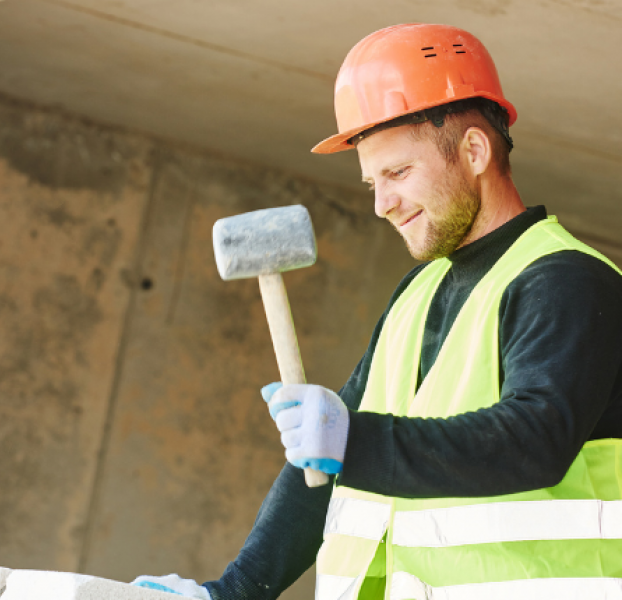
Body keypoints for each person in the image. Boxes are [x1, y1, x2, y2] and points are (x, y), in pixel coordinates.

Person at [134, 23, 622, 600]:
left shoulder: (565, 279)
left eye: (397, 173)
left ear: (474, 151)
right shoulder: (418, 291)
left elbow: (535, 440)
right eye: (371, 181)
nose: (380, 204)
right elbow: (325, 462)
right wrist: (232, 591)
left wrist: (352, 444)